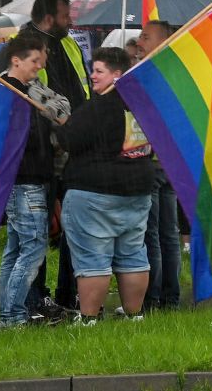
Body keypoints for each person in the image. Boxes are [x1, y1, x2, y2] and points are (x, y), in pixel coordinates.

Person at [57, 47, 154, 325]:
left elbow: (69, 140)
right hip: (137, 190)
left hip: (94, 193)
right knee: (133, 253)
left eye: (99, 71)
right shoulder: (143, 105)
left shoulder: (98, 106)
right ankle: (134, 314)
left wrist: (62, 122)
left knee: (92, 258)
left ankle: (88, 319)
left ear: (117, 75)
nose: (92, 75)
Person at [13, 0, 90, 316]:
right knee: (37, 232)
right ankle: (33, 299)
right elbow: (33, 98)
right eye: (65, 16)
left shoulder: (68, 43)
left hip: (72, 147)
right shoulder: (25, 48)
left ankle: (67, 293)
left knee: (71, 223)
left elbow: (80, 86)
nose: (70, 21)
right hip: (41, 153)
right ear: (49, 17)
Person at [0, 37, 59, 327]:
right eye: (34, 61)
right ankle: (13, 316)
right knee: (32, 249)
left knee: (15, 250)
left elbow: (62, 112)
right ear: (16, 60)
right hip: (25, 181)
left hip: (27, 180)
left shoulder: (28, 90)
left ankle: (7, 313)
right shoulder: (4, 92)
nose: (39, 66)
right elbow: (17, 140)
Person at [137, 20, 183, 311]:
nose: (139, 41)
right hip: (170, 163)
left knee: (152, 234)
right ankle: (171, 297)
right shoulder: (175, 73)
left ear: (162, 41)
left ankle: (152, 298)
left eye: (145, 36)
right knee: (170, 233)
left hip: (152, 162)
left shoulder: (150, 74)